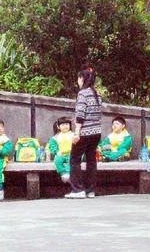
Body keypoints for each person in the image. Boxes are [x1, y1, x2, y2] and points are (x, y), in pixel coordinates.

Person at [65, 67, 102, 199]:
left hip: (85, 132)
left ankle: (77, 189)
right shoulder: (97, 94)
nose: (77, 81)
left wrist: (76, 133)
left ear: (82, 79)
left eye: (79, 78)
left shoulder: (83, 94)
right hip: (96, 132)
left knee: (74, 159)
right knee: (91, 160)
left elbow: (80, 115)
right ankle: (90, 190)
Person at [49, 117, 75, 183]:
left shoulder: (74, 135)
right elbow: (52, 146)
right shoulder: (55, 137)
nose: (65, 126)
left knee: (72, 160)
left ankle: (68, 173)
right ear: (58, 126)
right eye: (62, 125)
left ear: (70, 125)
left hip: (72, 153)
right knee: (57, 160)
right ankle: (63, 174)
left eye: (66, 124)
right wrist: (56, 152)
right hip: (61, 154)